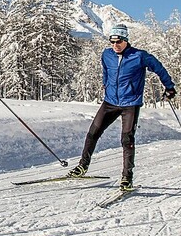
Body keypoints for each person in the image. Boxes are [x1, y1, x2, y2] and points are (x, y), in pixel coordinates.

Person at [67, 23, 175, 191]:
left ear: (126, 40)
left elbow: (159, 68)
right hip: (110, 102)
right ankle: (82, 166)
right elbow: (106, 70)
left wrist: (169, 87)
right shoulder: (107, 54)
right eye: (112, 42)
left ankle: (127, 177)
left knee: (127, 140)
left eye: (119, 42)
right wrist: (105, 84)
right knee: (92, 133)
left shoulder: (139, 56)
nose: (115, 45)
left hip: (130, 103)